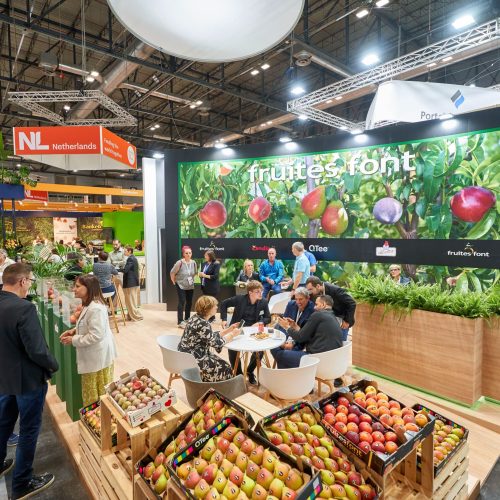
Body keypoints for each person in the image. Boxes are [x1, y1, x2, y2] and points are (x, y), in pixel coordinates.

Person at [0, 263, 59, 499]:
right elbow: (36, 350)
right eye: (31, 282)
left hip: (4, 377)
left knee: (4, 423)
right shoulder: (24, 309)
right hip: (28, 381)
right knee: (28, 430)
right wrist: (53, 364)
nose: (30, 287)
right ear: (23, 282)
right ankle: (22, 482)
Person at [59, 275, 117, 406]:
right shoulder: (88, 304)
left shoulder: (95, 308)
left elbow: (96, 335)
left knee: (96, 393)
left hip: (98, 357)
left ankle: (100, 421)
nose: (74, 289)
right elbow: (89, 325)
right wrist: (74, 330)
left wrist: (73, 339)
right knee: (94, 391)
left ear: (89, 288)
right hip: (96, 357)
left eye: (78, 286)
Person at [178, 296, 242, 382]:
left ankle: (211, 385)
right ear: (207, 308)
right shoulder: (203, 323)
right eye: (214, 305)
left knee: (224, 364)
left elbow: (209, 336)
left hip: (186, 354)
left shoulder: (196, 317)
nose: (216, 307)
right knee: (226, 367)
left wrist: (228, 330)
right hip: (194, 358)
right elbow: (216, 343)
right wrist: (232, 334)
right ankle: (218, 389)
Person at [220, 280, 271, 385]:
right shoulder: (239, 299)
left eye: (261, 291)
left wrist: (260, 322)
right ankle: (238, 374)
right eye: (257, 291)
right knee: (232, 350)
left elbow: (268, 318)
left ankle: (249, 371)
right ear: (250, 292)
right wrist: (224, 319)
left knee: (260, 351)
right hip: (238, 329)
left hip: (254, 331)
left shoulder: (263, 302)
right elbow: (223, 304)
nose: (260, 293)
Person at [273, 295, 343, 368]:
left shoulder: (318, 314)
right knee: (287, 353)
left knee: (280, 355)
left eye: (316, 304)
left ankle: (287, 377)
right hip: (332, 361)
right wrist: (295, 326)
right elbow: (306, 334)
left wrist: (286, 327)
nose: (314, 307)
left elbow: (300, 337)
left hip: (317, 359)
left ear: (323, 305)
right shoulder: (333, 317)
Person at [305, 276, 356, 342]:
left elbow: (352, 303)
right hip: (327, 323)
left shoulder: (335, 290)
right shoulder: (313, 294)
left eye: (310, 289)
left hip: (341, 321)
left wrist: (347, 321)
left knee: (340, 345)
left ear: (318, 286)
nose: (309, 292)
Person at [170, 246, 197, 328]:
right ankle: (180, 321)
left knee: (189, 302)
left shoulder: (194, 263)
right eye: (186, 253)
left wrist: (190, 279)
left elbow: (195, 273)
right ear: (183, 254)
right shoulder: (179, 263)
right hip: (180, 285)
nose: (188, 254)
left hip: (190, 285)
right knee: (182, 301)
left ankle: (187, 319)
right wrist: (173, 281)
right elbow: (172, 272)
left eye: (190, 253)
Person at [122, 246, 143, 322]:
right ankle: (131, 315)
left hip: (130, 283)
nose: (124, 252)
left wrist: (117, 269)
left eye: (125, 251)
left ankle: (136, 316)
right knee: (132, 300)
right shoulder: (133, 258)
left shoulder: (130, 259)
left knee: (130, 301)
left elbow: (126, 270)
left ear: (129, 251)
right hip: (133, 282)